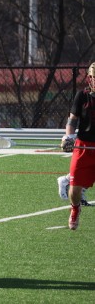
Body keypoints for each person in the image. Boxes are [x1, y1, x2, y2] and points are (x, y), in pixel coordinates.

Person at [60, 62, 95, 230]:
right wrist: (68, 137)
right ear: (90, 79)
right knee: (74, 191)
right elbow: (73, 119)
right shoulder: (82, 96)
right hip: (83, 146)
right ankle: (75, 208)